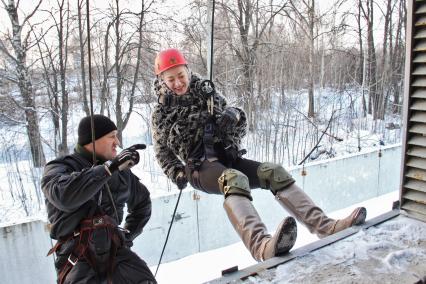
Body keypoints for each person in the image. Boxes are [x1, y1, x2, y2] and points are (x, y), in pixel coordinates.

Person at [151, 48, 367, 262]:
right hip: (199, 168)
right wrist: (176, 172)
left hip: (228, 157)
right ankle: (261, 247)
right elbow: (162, 151)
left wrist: (235, 116)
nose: (178, 83)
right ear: (162, 81)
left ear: (188, 71)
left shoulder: (207, 94)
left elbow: (238, 128)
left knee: (274, 172)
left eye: (181, 76)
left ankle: (326, 226)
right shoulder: (161, 114)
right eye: (171, 79)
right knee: (233, 179)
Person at [42, 114, 156, 284]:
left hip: (116, 252)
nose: (117, 142)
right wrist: (108, 169)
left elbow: (142, 203)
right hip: (77, 258)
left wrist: (127, 236)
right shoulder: (59, 168)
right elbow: (64, 196)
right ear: (92, 140)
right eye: (111, 136)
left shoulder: (121, 171)